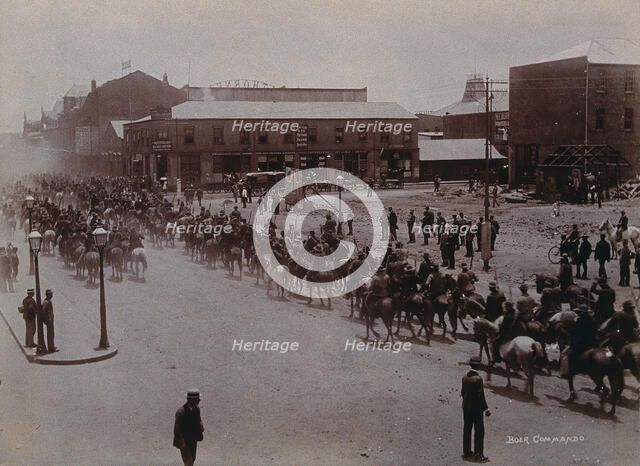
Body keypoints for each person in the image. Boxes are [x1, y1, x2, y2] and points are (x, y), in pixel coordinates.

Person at [461, 356, 490, 462]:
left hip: (466, 407)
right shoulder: (478, 379)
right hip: (476, 409)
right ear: (478, 366)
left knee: (467, 429)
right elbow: (480, 396)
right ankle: (479, 454)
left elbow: (463, 393)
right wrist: (486, 409)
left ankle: (467, 451)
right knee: (479, 431)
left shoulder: (465, 377)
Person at [173, 389, 205, 466]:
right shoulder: (180, 412)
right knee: (188, 461)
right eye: (197, 399)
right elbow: (177, 429)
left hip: (193, 439)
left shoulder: (197, 409)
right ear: (191, 400)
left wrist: (201, 425)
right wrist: (181, 442)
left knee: (193, 458)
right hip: (184, 441)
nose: (199, 400)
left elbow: (198, 420)